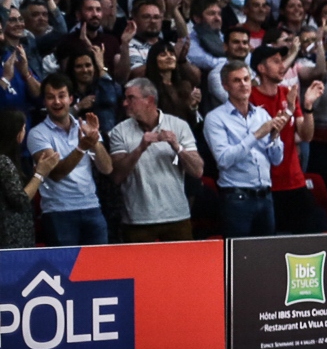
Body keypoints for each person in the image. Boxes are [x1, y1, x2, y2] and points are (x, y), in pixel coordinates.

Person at [107, 78, 203, 241]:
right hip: (138, 219)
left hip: (177, 216)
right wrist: (140, 148)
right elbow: (117, 176)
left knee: (181, 266)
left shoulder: (179, 126)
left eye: (131, 98)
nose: (125, 103)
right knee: (140, 267)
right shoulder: (119, 132)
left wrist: (177, 146)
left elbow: (197, 170)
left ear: (149, 100)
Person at [26, 77, 114, 245]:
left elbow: (107, 168)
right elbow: (56, 173)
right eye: (51, 97)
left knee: (99, 268)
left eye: (62, 96)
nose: (57, 102)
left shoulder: (85, 127)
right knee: (66, 271)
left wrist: (94, 142)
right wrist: (81, 147)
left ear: (71, 99)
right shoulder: (37, 134)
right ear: (44, 101)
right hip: (58, 212)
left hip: (92, 207)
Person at [204, 62, 286, 237]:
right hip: (236, 199)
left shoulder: (262, 115)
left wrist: (275, 136)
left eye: (246, 79)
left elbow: (277, 159)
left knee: (266, 254)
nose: (243, 84)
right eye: (236, 80)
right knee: (238, 258)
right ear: (225, 86)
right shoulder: (215, 118)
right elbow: (224, 160)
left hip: (265, 196)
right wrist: (256, 135)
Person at [250, 45, 323, 233]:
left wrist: (307, 106)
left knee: (310, 237)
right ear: (261, 68)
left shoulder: (287, 93)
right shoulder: (250, 97)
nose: (282, 66)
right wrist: (289, 110)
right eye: (276, 61)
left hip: (294, 180)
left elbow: (306, 135)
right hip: (264, 184)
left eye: (282, 61)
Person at [0, 109, 59, 248]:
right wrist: (40, 174)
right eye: (24, 128)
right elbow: (20, 200)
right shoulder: (4, 162)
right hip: (10, 239)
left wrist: (35, 176)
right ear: (17, 134)